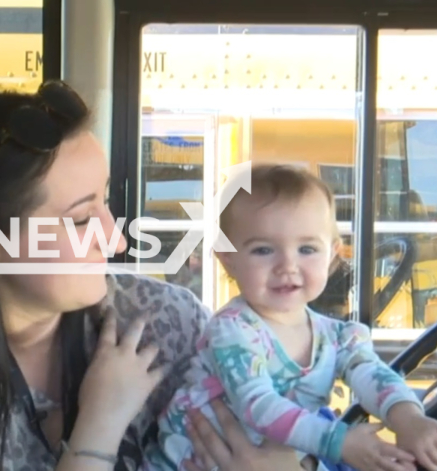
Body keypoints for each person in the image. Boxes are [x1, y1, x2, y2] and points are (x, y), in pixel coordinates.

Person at [0, 81, 308, 471]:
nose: (116, 240)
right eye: (80, 220)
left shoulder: (164, 321)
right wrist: (100, 427)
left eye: (106, 200)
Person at [143, 164, 437, 471]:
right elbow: (258, 406)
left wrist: (410, 419)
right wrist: (341, 442)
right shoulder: (232, 330)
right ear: (228, 260)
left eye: (307, 248)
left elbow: (372, 374)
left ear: (333, 255)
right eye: (263, 250)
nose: (287, 265)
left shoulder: (338, 336)